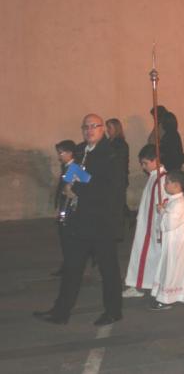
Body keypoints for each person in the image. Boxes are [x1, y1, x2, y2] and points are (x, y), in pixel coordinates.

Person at [34, 114, 124, 325]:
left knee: (108, 269)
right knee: (72, 267)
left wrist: (77, 191)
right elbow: (72, 172)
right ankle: (61, 311)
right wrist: (66, 186)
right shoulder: (81, 149)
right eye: (86, 127)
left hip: (101, 222)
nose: (89, 130)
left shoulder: (111, 153)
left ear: (102, 129)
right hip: (79, 221)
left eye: (94, 126)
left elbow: (108, 187)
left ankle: (113, 311)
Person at [150, 170, 184, 309]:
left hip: (176, 244)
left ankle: (167, 299)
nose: (164, 185)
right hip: (175, 242)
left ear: (177, 185)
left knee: (172, 268)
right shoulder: (174, 200)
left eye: (167, 183)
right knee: (183, 266)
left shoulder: (178, 203)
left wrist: (162, 211)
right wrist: (163, 209)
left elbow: (169, 223)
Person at [122, 145, 165, 298]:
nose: (143, 167)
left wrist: (158, 228)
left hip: (153, 228)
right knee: (142, 256)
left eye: (145, 163)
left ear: (156, 160)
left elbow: (163, 205)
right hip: (146, 226)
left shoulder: (162, 179)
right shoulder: (154, 176)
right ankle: (140, 285)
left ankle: (144, 286)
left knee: (149, 257)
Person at [52, 139, 78, 276]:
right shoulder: (67, 167)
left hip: (70, 211)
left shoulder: (74, 168)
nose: (59, 156)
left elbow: (86, 185)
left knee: (68, 239)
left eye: (60, 153)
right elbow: (61, 189)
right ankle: (67, 264)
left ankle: (70, 266)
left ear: (70, 153)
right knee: (64, 239)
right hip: (64, 209)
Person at [106, 118, 129, 241]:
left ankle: (118, 234)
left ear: (116, 129)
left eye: (110, 128)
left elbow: (117, 162)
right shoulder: (109, 142)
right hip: (110, 179)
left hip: (118, 180)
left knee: (118, 207)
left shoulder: (120, 144)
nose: (107, 130)